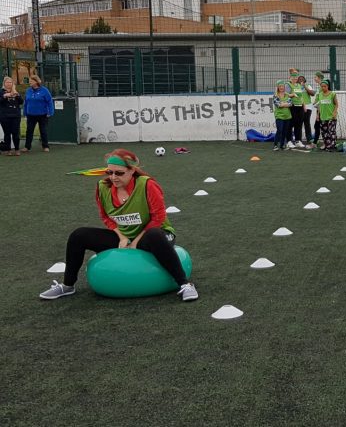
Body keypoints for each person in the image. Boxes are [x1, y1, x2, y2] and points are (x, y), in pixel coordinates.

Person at [40, 148, 199, 301]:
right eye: (109, 172)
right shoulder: (103, 187)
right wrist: (122, 237)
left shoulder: (147, 185)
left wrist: (136, 242)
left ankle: (185, 284)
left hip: (156, 234)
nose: (113, 177)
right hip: (126, 237)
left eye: (119, 173)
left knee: (155, 235)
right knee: (79, 235)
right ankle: (67, 285)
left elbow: (158, 217)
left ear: (132, 171)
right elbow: (105, 217)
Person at [23, 74, 54, 153]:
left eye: (31, 81)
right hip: (30, 115)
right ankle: (27, 147)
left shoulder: (44, 90)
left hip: (43, 115)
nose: (29, 82)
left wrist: (50, 112)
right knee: (29, 131)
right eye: (29, 81)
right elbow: (26, 102)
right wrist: (25, 113)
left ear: (37, 82)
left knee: (43, 130)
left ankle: (45, 146)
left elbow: (49, 101)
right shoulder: (28, 90)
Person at [1, 77, 23, 156]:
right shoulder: (1, 92)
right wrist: (4, 96)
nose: (9, 84)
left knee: (15, 133)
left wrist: (17, 95)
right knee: (7, 133)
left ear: (12, 83)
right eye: (7, 82)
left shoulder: (15, 91)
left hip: (15, 115)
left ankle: (17, 149)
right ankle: (8, 150)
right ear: (4, 83)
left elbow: (21, 102)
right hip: (5, 116)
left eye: (10, 82)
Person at [315, 80, 338, 152]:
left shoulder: (332, 94)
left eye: (325, 86)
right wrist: (318, 115)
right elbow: (319, 106)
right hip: (323, 117)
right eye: (322, 86)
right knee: (324, 132)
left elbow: (336, 104)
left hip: (331, 117)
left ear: (327, 86)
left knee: (331, 132)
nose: (323, 88)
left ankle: (332, 146)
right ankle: (326, 145)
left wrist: (334, 113)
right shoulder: (320, 95)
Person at [285, 69, 306, 148]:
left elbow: (301, 97)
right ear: (290, 77)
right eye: (293, 77)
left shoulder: (299, 85)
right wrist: (292, 95)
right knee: (290, 125)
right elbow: (284, 94)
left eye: (296, 77)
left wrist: (304, 106)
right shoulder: (288, 85)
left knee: (299, 124)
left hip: (300, 107)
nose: (294, 79)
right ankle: (289, 141)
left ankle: (298, 140)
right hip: (292, 107)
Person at [272, 80, 293, 151]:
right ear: (278, 87)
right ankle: (275, 145)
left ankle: (281, 145)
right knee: (279, 130)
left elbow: (290, 104)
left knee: (284, 131)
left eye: (283, 86)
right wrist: (285, 104)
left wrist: (283, 104)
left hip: (287, 116)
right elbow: (278, 105)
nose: (281, 88)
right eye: (280, 86)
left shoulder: (287, 95)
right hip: (279, 116)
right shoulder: (275, 95)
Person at [298, 74, 316, 148]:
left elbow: (312, 93)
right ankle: (298, 139)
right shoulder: (296, 87)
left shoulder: (308, 86)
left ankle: (309, 138)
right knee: (299, 123)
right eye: (299, 79)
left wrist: (304, 86)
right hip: (299, 106)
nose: (301, 80)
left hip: (308, 106)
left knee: (307, 122)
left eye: (302, 79)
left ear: (304, 81)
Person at [309, 72, 324, 148]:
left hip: (322, 109)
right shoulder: (320, 87)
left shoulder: (322, 86)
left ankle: (315, 143)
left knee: (319, 126)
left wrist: (316, 104)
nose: (314, 78)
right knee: (318, 126)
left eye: (315, 77)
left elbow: (322, 99)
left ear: (319, 78)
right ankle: (316, 142)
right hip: (319, 109)